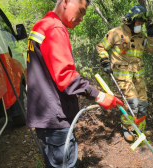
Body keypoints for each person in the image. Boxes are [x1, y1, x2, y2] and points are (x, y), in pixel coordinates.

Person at [26, 0, 123, 167]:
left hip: (45, 117)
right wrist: (99, 96)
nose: (82, 18)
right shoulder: (55, 29)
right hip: (55, 120)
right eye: (81, 11)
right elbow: (66, 77)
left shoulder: (42, 25)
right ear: (66, 2)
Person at [96, 5, 153, 142]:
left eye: (142, 23)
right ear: (129, 21)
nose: (140, 25)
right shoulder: (116, 33)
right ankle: (127, 127)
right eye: (138, 22)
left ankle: (139, 128)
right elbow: (101, 47)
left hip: (138, 75)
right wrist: (105, 61)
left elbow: (150, 49)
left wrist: (152, 35)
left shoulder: (141, 36)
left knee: (143, 103)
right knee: (133, 103)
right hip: (122, 75)